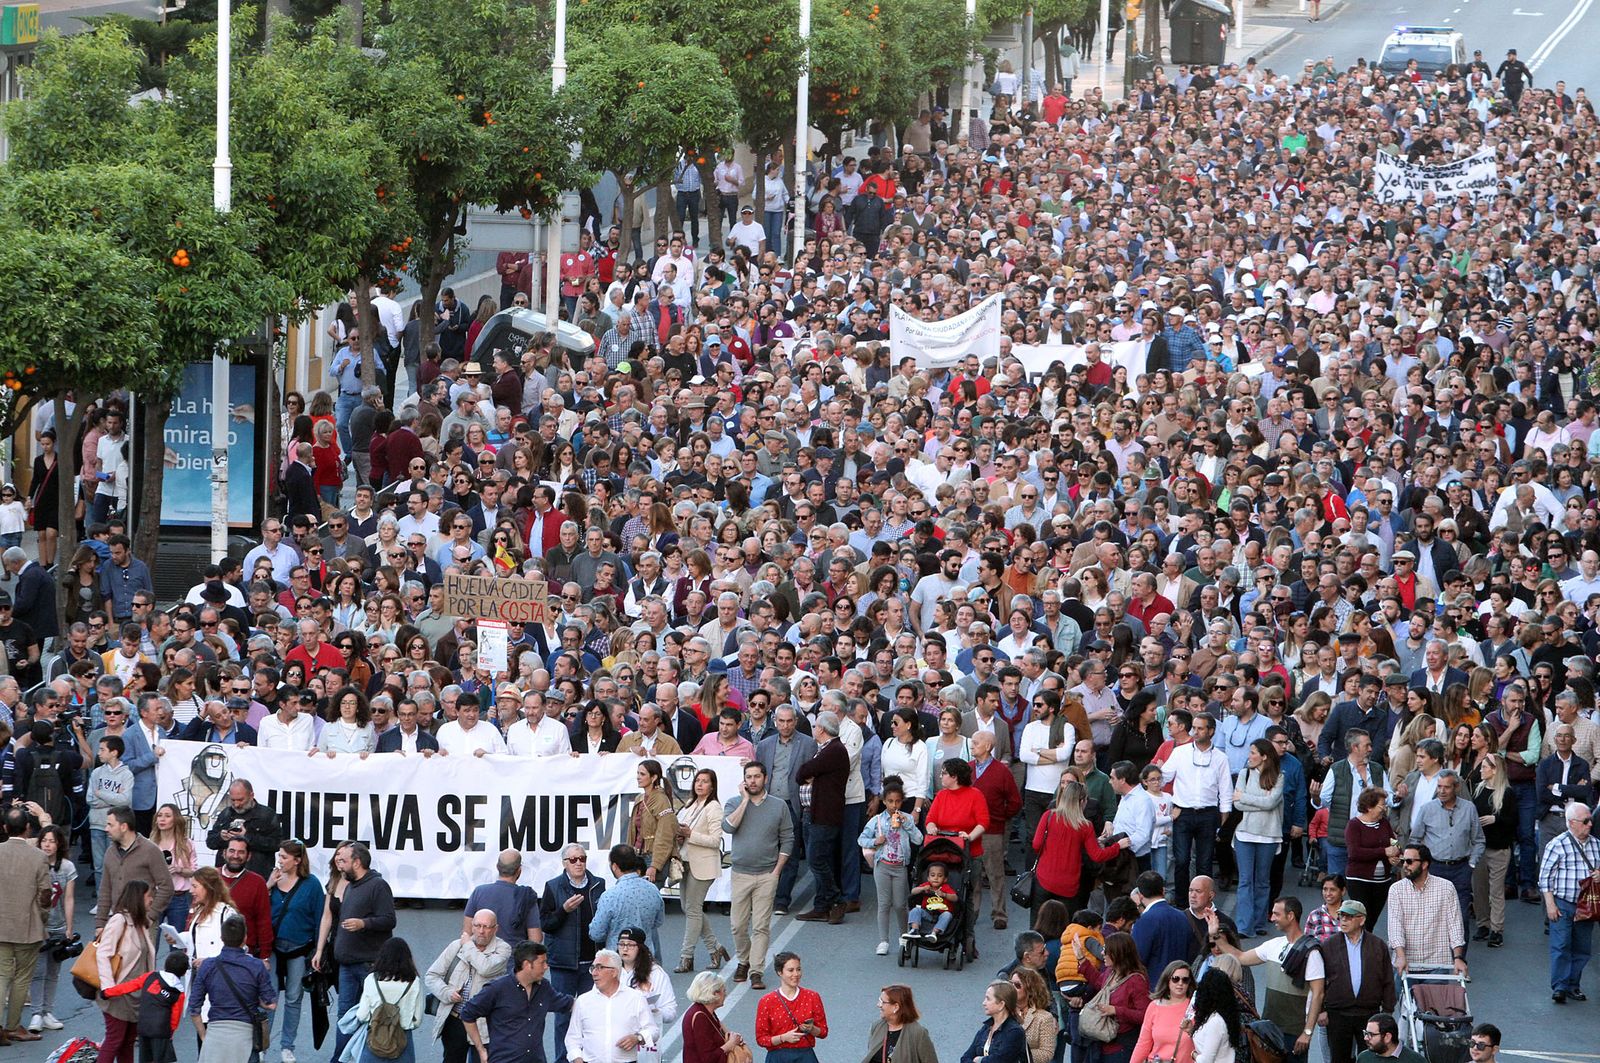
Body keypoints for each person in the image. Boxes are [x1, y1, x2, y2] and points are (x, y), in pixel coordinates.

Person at [1205, 897, 1312, 1062]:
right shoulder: (1273, 945)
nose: (1271, 918)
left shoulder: (1311, 950)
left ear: (1290, 916)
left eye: (1276, 914)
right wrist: (1215, 935)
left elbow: (1318, 994)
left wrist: (1307, 1032)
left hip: (1295, 1033)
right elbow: (1240, 957)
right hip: (1269, 1030)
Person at [723, 760, 792, 989]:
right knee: (738, 925)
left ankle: (756, 970)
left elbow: (788, 838)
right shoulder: (734, 803)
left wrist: (777, 871)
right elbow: (728, 827)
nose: (753, 781)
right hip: (740, 873)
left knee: (761, 926)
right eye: (748, 777)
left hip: (767, 874)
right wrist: (744, 800)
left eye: (757, 776)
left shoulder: (779, 805)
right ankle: (743, 959)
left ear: (765, 779)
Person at [1302, 900, 1396, 1063]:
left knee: (1371, 1058)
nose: (1343, 920)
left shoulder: (1378, 945)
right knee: (1339, 1058)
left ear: (1361, 920)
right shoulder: (1329, 945)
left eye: (1349, 917)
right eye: (1341, 916)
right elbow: (1320, 980)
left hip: (1369, 1014)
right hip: (1338, 1013)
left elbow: (1387, 979)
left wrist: (1387, 1011)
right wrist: (1321, 1009)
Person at [457, 940, 574, 1063]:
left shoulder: (544, 988)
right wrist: (481, 1050)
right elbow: (467, 1014)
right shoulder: (497, 988)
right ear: (527, 965)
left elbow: (568, 1003)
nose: (546, 967)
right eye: (542, 962)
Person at [540, 843, 605, 1063]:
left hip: (592, 964)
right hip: (563, 964)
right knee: (563, 1018)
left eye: (582, 858)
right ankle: (562, 1059)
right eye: (573, 860)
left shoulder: (598, 885)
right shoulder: (553, 886)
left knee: (592, 1017)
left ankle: (588, 1058)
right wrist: (563, 910)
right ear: (564, 863)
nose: (579, 863)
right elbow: (545, 923)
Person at [333, 842, 397, 1062]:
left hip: (367, 965)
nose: (340, 867)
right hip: (347, 965)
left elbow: (389, 920)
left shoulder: (378, 886)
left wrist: (363, 923)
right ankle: (340, 1059)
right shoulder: (351, 885)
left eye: (345, 861)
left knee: (372, 1017)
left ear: (357, 862)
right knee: (345, 1017)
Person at [427, 909, 515, 1063]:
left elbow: (485, 968)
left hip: (483, 1024)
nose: (481, 931)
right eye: (478, 926)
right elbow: (432, 976)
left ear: (496, 929)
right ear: (472, 926)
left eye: (487, 927)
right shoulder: (456, 946)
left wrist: (468, 945)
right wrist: (447, 993)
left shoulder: (503, 949)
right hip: (455, 1019)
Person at [1160, 713, 1232, 899]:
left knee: (1204, 863)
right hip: (1182, 813)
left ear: (1211, 731)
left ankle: (1204, 902)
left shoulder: (1220, 758)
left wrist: (1222, 822)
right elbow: (1163, 777)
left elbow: (1225, 792)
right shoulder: (1180, 753)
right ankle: (1182, 901)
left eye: (1201, 728)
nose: (1196, 731)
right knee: (1182, 860)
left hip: (1208, 814)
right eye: (1194, 727)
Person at [1032, 779, 1129, 911]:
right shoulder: (1085, 826)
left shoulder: (1048, 816)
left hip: (1044, 879)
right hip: (1068, 885)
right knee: (1066, 927)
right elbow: (1097, 856)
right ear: (1082, 801)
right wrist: (1117, 846)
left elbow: (1036, 845)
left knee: (1038, 925)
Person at [267, 839, 322, 1063]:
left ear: (297, 860)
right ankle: (261, 1044)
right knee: (268, 997)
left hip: (299, 949)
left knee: (293, 998)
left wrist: (318, 951)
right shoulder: (273, 880)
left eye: (284, 857)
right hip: (272, 948)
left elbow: (320, 919)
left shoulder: (312, 885)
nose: (280, 861)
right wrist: (269, 884)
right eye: (279, 856)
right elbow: (257, 907)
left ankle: (287, 1046)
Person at [1539, 801, 1599, 1003]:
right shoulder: (1556, 845)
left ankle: (1574, 985)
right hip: (1563, 902)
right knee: (1561, 945)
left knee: (1582, 947)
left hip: (1586, 904)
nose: (1590, 824)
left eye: (1590, 820)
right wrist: (1550, 905)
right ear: (1572, 823)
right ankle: (1560, 987)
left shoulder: (1597, 845)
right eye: (1585, 821)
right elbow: (1545, 878)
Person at [794, 712, 851, 924]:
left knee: (817, 859)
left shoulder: (834, 750)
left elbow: (803, 772)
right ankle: (821, 906)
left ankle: (835, 899)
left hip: (823, 815)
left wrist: (809, 775)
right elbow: (806, 775)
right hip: (815, 813)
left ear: (822, 729)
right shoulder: (826, 750)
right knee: (819, 859)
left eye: (815, 726)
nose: (813, 729)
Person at [0, 806, 50, 1046]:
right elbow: (45, 894)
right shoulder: (38, 857)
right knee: (21, 978)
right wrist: (43, 917)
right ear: (28, 828)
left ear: (5, 828)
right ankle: (12, 1026)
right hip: (28, 926)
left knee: (1, 976)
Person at [674, 768, 731, 973]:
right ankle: (715, 948)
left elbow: (716, 841)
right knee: (689, 908)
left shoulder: (714, 807)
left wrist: (691, 834)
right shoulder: (691, 804)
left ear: (712, 786)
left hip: (703, 864)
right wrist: (681, 836)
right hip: (687, 861)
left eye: (705, 781)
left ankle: (686, 956)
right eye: (697, 780)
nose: (699, 784)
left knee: (692, 910)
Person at [859, 777, 923, 955]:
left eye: (897, 801)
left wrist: (907, 824)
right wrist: (875, 841)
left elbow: (919, 839)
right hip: (882, 866)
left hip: (900, 867)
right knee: (884, 904)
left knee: (901, 905)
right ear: (884, 801)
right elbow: (861, 839)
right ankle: (883, 940)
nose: (894, 805)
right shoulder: (878, 820)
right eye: (890, 801)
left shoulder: (907, 819)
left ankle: (904, 936)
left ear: (902, 801)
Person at [1386, 844, 1468, 977]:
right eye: (1403, 861)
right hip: (1406, 964)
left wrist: (1458, 958)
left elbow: (1455, 926)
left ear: (1424, 864)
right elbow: (1395, 927)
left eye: (1409, 861)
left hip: (1437, 964)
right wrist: (1401, 957)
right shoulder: (1396, 890)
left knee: (1436, 999)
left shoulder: (1446, 888)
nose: (1405, 865)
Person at [24, 822, 74, 1036]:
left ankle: (47, 1011)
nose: (47, 845)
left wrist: (69, 927)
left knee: (54, 971)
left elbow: (69, 898)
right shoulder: (34, 862)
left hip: (58, 926)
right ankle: (36, 1012)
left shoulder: (67, 867)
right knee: (38, 971)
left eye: (52, 841)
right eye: (44, 840)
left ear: (59, 844)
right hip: (38, 926)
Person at [564, 948, 656, 1063]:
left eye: (599, 967)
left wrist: (638, 1038)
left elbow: (653, 1030)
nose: (594, 973)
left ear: (614, 972)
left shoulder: (635, 998)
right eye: (593, 968)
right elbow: (572, 1038)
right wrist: (577, 1058)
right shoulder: (583, 1001)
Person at [1231, 738, 1283, 937]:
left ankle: (1260, 923)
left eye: (1253, 752)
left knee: (1262, 881)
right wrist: (1258, 801)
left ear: (1264, 756)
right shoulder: (1244, 774)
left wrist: (1245, 798)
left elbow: (1270, 803)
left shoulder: (1279, 776)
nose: (1249, 756)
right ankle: (1244, 926)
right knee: (1245, 880)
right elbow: (1237, 805)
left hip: (1269, 835)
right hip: (1244, 833)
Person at [98, 808, 174, 936]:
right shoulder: (110, 853)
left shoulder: (150, 850)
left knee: (143, 956)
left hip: (143, 923)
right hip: (117, 923)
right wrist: (100, 924)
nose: (106, 829)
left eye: (110, 825)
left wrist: (150, 916)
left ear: (123, 827)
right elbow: (105, 890)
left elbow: (167, 886)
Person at [1077, 931, 1150, 1063]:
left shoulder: (1136, 980)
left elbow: (1145, 1015)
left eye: (1106, 950)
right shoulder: (1111, 972)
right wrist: (1082, 960)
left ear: (1119, 953)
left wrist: (1116, 1010)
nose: (1102, 953)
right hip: (1101, 1043)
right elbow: (1100, 983)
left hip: (1122, 1046)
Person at [351, 937, 425, 1063]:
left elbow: (362, 1015)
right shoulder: (414, 982)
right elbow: (417, 1020)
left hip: (375, 1037)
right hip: (402, 1040)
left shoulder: (371, 979)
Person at [589, 845, 665, 959]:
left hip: (618, 959)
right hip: (645, 956)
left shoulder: (610, 896)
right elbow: (658, 921)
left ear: (614, 866)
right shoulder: (653, 890)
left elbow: (596, 933)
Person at [755, 951, 828, 1063]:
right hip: (778, 1057)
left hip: (805, 1056)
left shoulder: (812, 997)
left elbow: (823, 1032)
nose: (796, 974)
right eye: (790, 970)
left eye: (798, 969)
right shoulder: (766, 1001)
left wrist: (812, 1029)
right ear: (780, 972)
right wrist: (783, 1038)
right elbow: (761, 1039)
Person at [617, 928, 677, 1063]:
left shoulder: (656, 973)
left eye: (630, 944)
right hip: (616, 1041)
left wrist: (656, 1011)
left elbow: (671, 1011)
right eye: (621, 944)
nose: (625, 949)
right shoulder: (610, 970)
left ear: (640, 948)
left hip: (644, 1043)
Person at [466, 850, 542, 946]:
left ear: (497, 867)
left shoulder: (479, 892)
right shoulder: (527, 896)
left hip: (482, 957)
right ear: (519, 870)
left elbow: (467, 933)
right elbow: (536, 938)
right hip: (514, 958)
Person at [1129, 871, 1193, 979]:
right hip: (1180, 985)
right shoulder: (1183, 917)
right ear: (1163, 891)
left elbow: (1137, 959)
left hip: (1154, 987)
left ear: (1140, 896)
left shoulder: (1144, 920)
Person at [1129, 960, 1195, 1063]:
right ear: (1167, 980)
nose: (1180, 983)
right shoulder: (1154, 1006)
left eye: (1185, 980)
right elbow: (1143, 1044)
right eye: (1175, 979)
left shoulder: (1195, 1007)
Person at [680, 972, 747, 1063]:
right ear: (715, 994)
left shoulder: (705, 1011)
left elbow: (719, 1032)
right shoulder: (700, 1017)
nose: (725, 994)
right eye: (724, 991)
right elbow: (708, 1058)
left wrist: (733, 1037)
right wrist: (731, 1044)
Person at [959, 980, 1028, 1063]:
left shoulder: (1015, 1032)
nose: (984, 1003)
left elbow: (999, 1060)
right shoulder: (986, 1028)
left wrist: (979, 1060)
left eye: (988, 999)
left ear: (1001, 1005)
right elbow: (965, 1058)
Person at [865, 984, 938, 1063]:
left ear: (896, 1007)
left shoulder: (918, 1033)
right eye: (879, 1000)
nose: (878, 1005)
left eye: (882, 1002)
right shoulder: (877, 1026)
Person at [1184, 969, 1240, 1063]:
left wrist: (1193, 1054)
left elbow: (1206, 1061)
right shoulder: (1220, 1017)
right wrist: (1192, 1031)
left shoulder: (1216, 1021)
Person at [1007, 966, 1060, 1063]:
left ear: (1030, 990)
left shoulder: (1044, 1018)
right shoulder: (1004, 1012)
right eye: (1011, 983)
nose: (1012, 988)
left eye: (1017, 985)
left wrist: (1017, 1055)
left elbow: (1046, 1053)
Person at [905, 861, 960, 941]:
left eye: (940, 876)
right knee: (915, 910)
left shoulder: (945, 887)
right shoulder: (926, 885)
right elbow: (913, 891)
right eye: (932, 875)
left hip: (942, 914)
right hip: (928, 913)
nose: (936, 878)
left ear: (945, 879)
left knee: (947, 914)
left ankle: (934, 933)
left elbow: (955, 898)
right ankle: (914, 930)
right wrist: (922, 889)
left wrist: (944, 895)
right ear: (928, 878)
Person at [1355, 1014, 1425, 1063]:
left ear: (1387, 1037)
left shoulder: (1415, 1060)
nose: (1365, 1038)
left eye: (1370, 1034)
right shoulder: (1364, 1058)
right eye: (1366, 1033)